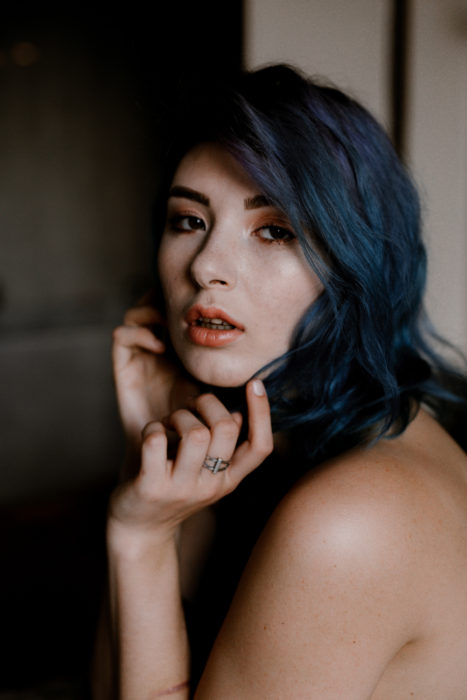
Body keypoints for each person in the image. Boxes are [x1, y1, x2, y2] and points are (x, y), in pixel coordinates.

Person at [92, 65, 467, 698]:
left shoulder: (350, 517)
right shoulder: (269, 448)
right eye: (189, 220)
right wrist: (148, 458)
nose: (207, 267)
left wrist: (140, 538)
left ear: (357, 262)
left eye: (274, 230)